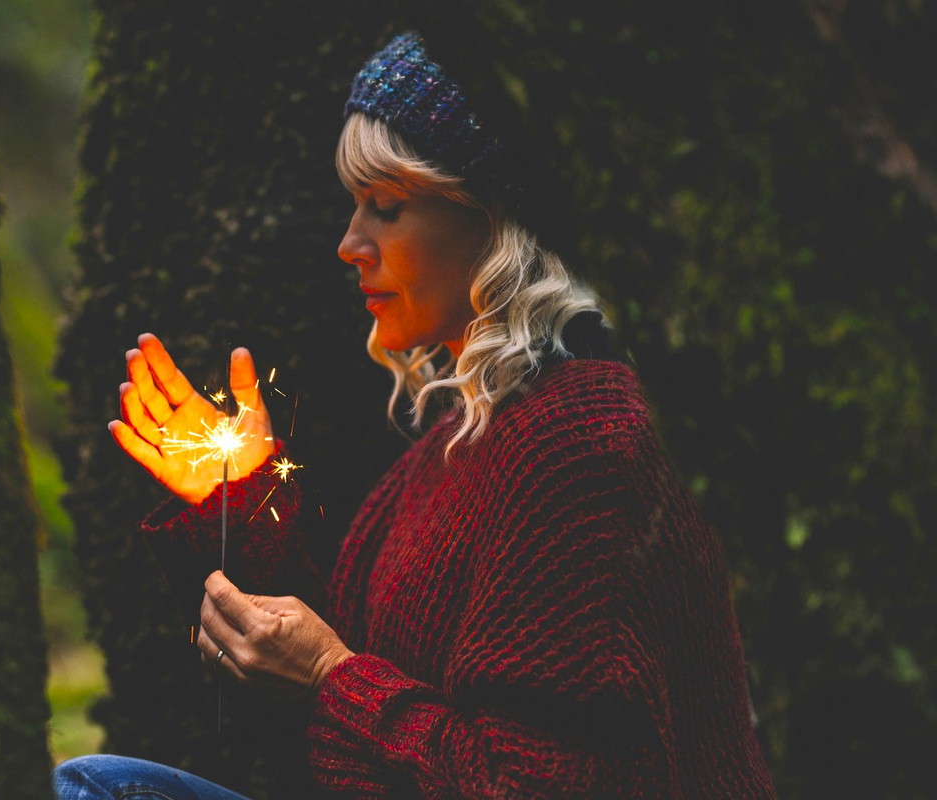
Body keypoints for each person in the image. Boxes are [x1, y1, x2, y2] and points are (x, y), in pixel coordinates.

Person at [54, 31, 776, 799]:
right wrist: (240, 499)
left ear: (498, 218)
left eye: (386, 207)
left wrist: (329, 679)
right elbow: (357, 673)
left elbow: (533, 781)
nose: (349, 244)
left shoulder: (586, 441)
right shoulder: (471, 432)